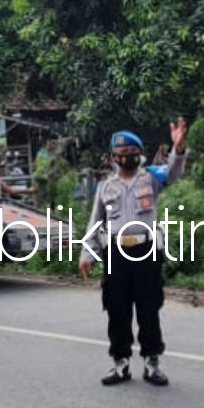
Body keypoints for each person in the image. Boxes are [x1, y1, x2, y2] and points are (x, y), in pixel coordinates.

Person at [79, 118, 188, 386]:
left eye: (131, 153)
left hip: (146, 250)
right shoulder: (106, 187)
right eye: (121, 154)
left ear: (139, 154)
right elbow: (96, 222)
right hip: (116, 252)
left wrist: (179, 147)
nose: (126, 158)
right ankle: (121, 363)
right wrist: (87, 254)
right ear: (114, 158)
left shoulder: (151, 178)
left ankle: (152, 363)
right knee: (117, 309)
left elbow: (173, 171)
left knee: (149, 308)